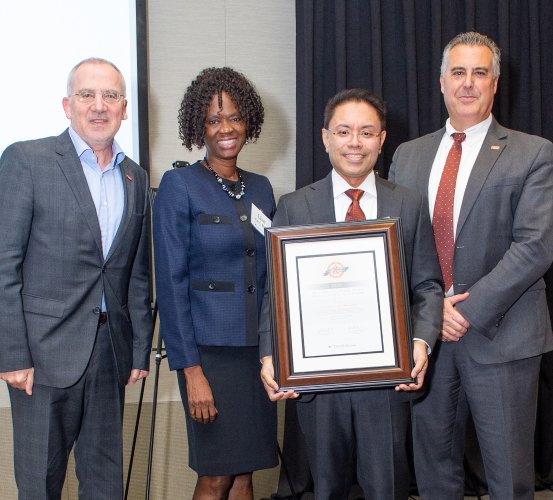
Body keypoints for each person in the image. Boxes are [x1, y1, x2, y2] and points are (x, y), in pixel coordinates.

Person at [388, 31, 553, 499]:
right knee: (434, 475)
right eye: (458, 72)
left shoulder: (534, 152)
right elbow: (397, 244)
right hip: (429, 341)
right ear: (441, 82)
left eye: (479, 73)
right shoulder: (408, 155)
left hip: (502, 336)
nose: (468, 83)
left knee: (509, 481)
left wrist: (466, 310)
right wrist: (432, 310)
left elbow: (535, 246)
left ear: (495, 83)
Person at [259, 88, 444, 500]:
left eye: (366, 132)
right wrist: (271, 354)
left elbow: (428, 285)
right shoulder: (294, 207)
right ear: (326, 138)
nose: (354, 143)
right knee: (325, 490)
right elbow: (277, 294)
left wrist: (420, 343)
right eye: (344, 132)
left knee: (387, 488)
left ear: (382, 140)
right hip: (318, 386)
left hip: (386, 384)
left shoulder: (409, 205)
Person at [0, 57, 153, 499]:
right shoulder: (27, 160)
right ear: (68, 105)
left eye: (110, 96)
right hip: (42, 358)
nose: (99, 106)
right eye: (87, 95)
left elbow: (137, 272)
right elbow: (5, 264)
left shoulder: (135, 177)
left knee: (106, 485)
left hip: (110, 355)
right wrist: (12, 354)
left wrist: (139, 347)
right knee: (40, 485)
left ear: (125, 108)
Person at [153, 67, 278, 500]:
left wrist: (274, 351)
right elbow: (171, 284)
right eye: (213, 119)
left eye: (235, 117)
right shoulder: (179, 185)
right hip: (210, 358)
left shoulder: (261, 189)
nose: (226, 128)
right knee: (215, 475)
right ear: (198, 126)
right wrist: (191, 372)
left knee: (246, 473)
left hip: (256, 354)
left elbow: (271, 275)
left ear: (250, 122)